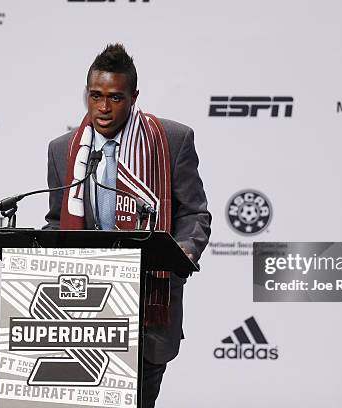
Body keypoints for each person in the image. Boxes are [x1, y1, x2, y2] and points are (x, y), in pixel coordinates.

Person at [44, 43, 211, 407]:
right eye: (96, 96)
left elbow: (195, 213)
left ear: (134, 96)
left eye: (115, 98)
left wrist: (181, 252)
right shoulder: (63, 150)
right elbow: (57, 220)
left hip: (147, 303)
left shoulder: (172, 139)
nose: (103, 108)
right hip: (82, 308)